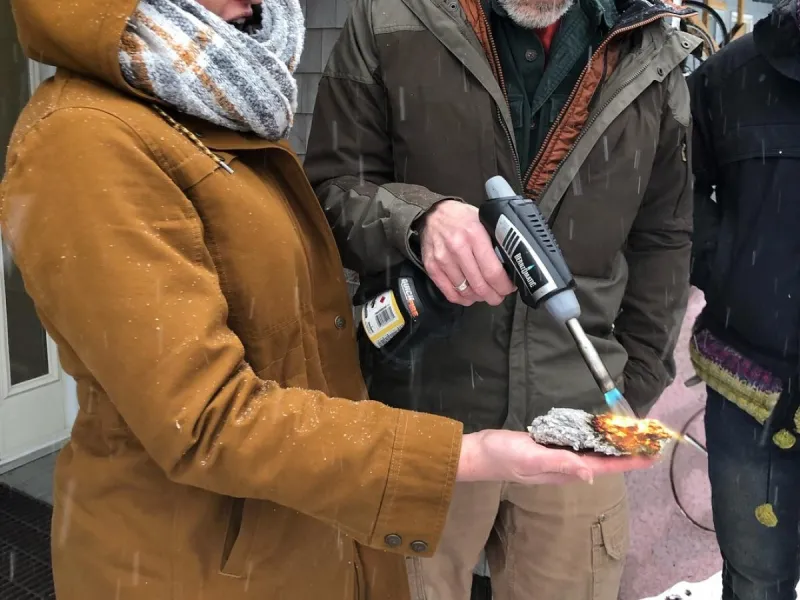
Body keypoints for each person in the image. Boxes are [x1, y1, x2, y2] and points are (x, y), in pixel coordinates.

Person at [0, 0, 657, 599]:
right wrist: (466, 454)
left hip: (294, 522)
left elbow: (664, 241)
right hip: (189, 559)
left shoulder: (224, 104)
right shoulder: (82, 139)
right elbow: (203, 421)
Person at [303, 0, 699, 598]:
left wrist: (637, 378)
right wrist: (415, 221)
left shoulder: (652, 51)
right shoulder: (390, 17)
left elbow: (663, 237)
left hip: (579, 420)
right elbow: (328, 193)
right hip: (419, 419)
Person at [687, 1, 800, 598]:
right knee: (758, 581)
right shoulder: (729, 77)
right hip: (750, 393)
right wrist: (723, 262)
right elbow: (675, 188)